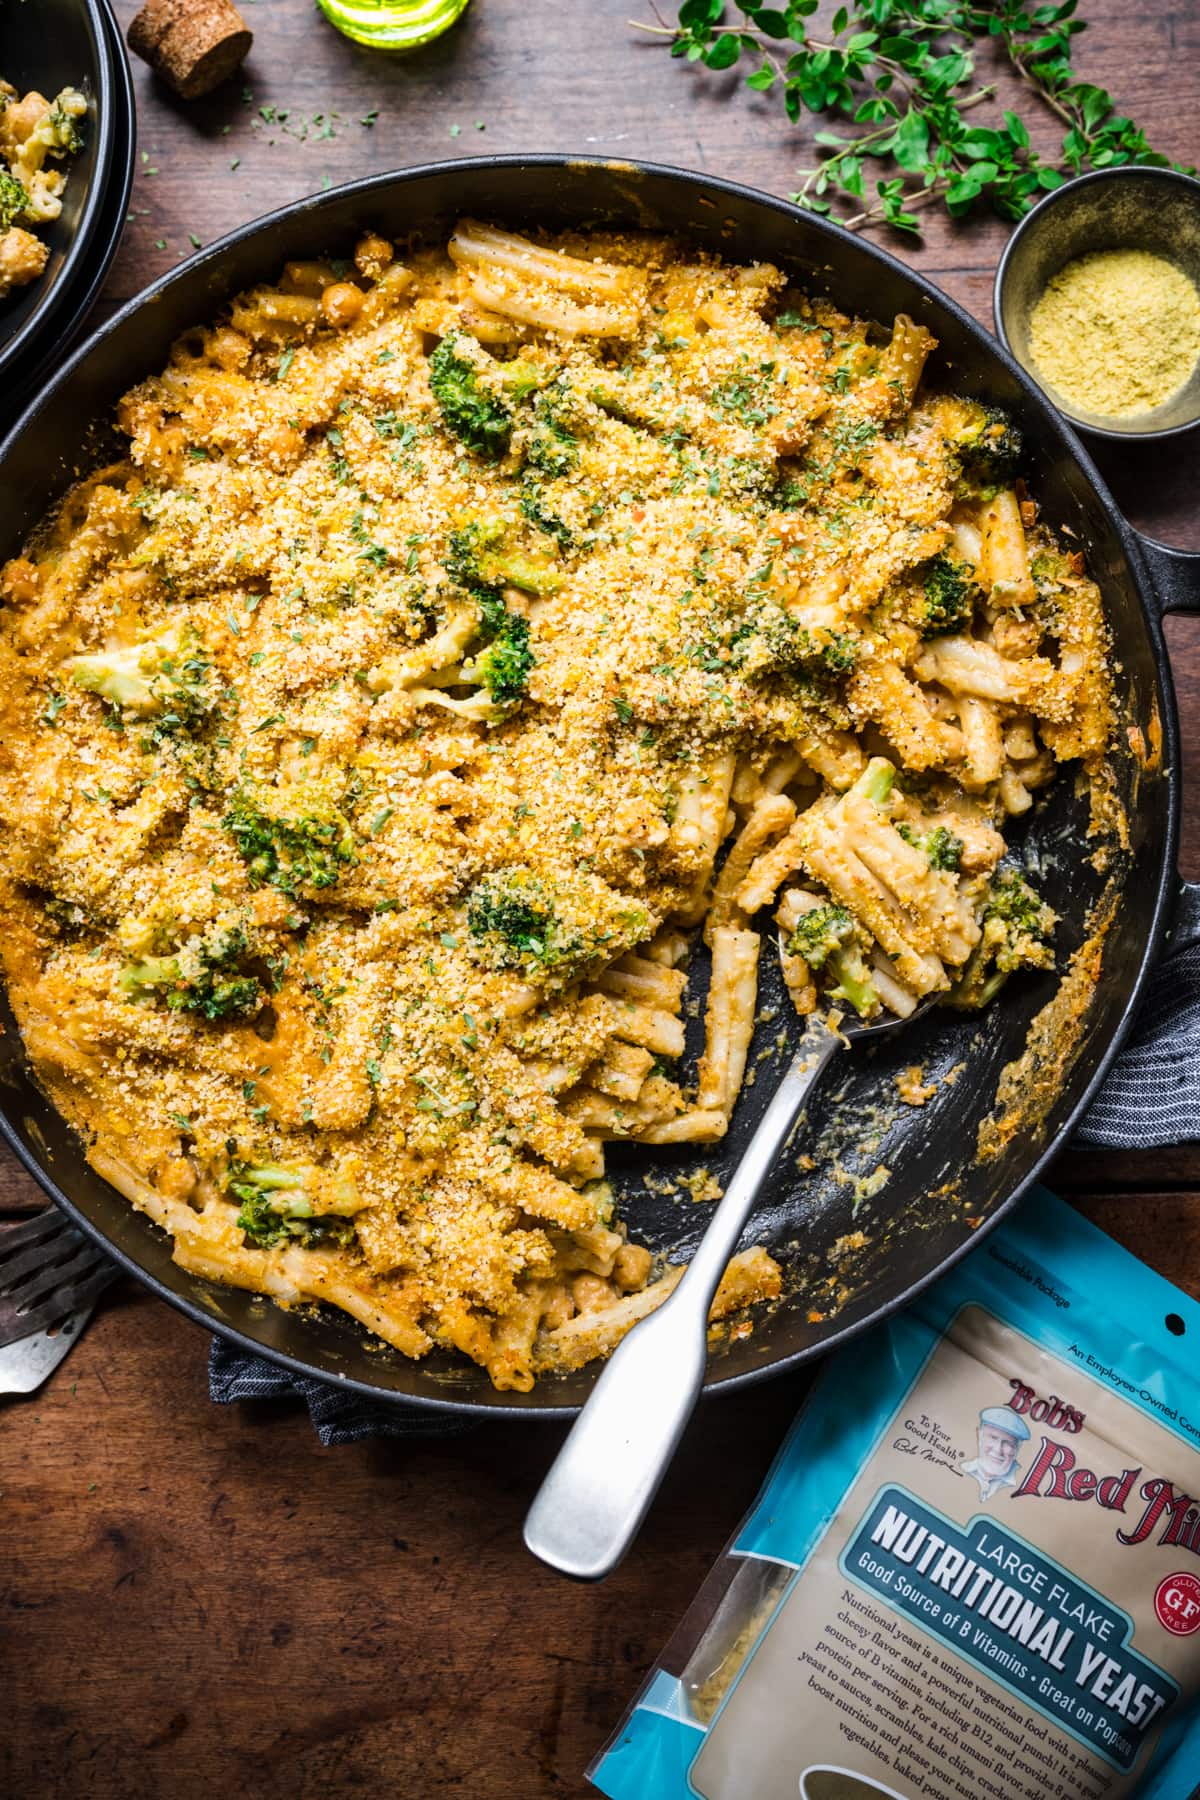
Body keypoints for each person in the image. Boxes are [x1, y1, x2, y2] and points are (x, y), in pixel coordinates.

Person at [961, 1404, 1031, 1501]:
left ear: (1017, 1449)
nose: (998, 1450)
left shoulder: (1023, 1486)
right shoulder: (963, 1468)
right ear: (979, 1436)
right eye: (993, 1438)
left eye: (1008, 1443)